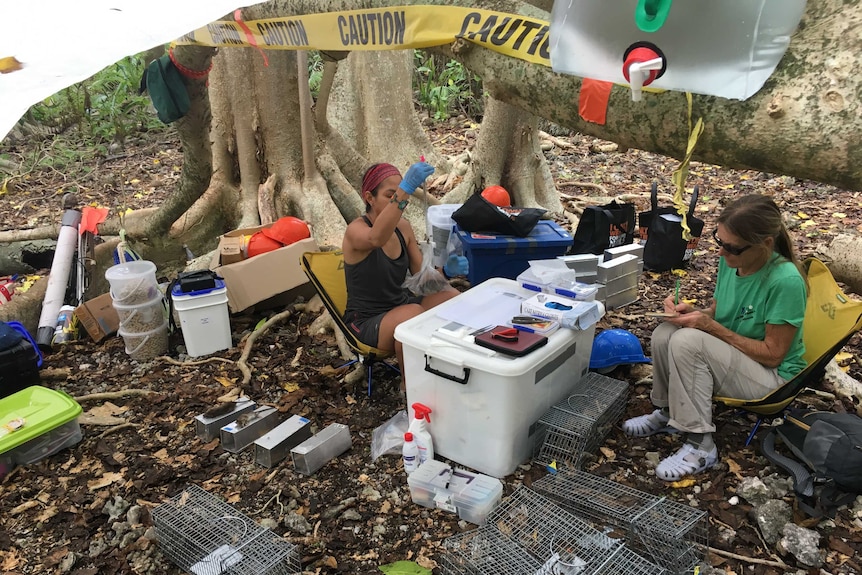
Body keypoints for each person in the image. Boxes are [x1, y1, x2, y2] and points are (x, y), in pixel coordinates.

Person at [623, 194, 807, 481]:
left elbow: (773, 355)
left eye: (731, 247)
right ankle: (668, 411)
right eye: (718, 241)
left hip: (773, 379)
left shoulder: (785, 281)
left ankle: (700, 445)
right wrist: (693, 313)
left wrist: (708, 327)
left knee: (688, 342)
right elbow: (720, 314)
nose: (721, 253)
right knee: (666, 332)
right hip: (739, 357)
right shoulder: (733, 262)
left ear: (765, 245)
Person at [342, 161, 468, 389]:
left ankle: (454, 369)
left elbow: (424, 282)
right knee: (414, 316)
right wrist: (406, 188)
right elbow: (375, 239)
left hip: (402, 306)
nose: (399, 202)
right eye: (391, 196)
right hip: (367, 321)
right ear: (369, 198)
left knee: (451, 297)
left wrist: (446, 270)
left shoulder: (403, 227)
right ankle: (412, 389)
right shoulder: (356, 231)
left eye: (400, 195)